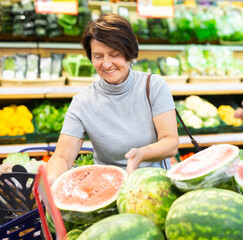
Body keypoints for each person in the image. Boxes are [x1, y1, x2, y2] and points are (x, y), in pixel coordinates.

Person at [46, 13, 179, 184]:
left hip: (154, 185)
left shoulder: (154, 86)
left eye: (114, 54)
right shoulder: (82, 102)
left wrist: (141, 154)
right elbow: (63, 157)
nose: (106, 64)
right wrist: (50, 179)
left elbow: (170, 142)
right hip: (105, 187)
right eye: (98, 56)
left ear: (129, 53)